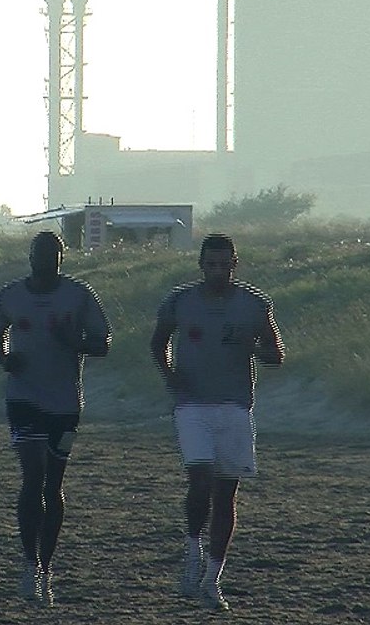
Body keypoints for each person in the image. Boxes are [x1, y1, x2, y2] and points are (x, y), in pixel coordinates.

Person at [149, 233, 284, 612]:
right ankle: (192, 547)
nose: (218, 271)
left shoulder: (254, 305)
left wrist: (252, 348)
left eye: (225, 265)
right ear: (201, 265)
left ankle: (213, 577)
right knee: (200, 478)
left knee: (226, 495)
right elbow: (158, 342)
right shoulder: (179, 301)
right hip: (192, 405)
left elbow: (277, 354)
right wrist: (169, 373)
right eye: (211, 264)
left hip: (236, 407)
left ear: (234, 266)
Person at [0, 231, 112, 607]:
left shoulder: (78, 295)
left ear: (62, 258)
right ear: (30, 257)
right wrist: (5, 357)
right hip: (23, 398)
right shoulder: (11, 294)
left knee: (53, 484)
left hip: (65, 403)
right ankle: (28, 563)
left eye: (54, 254)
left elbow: (103, 343)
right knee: (33, 472)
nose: (45, 260)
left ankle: (45, 566)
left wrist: (73, 341)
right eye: (39, 253)